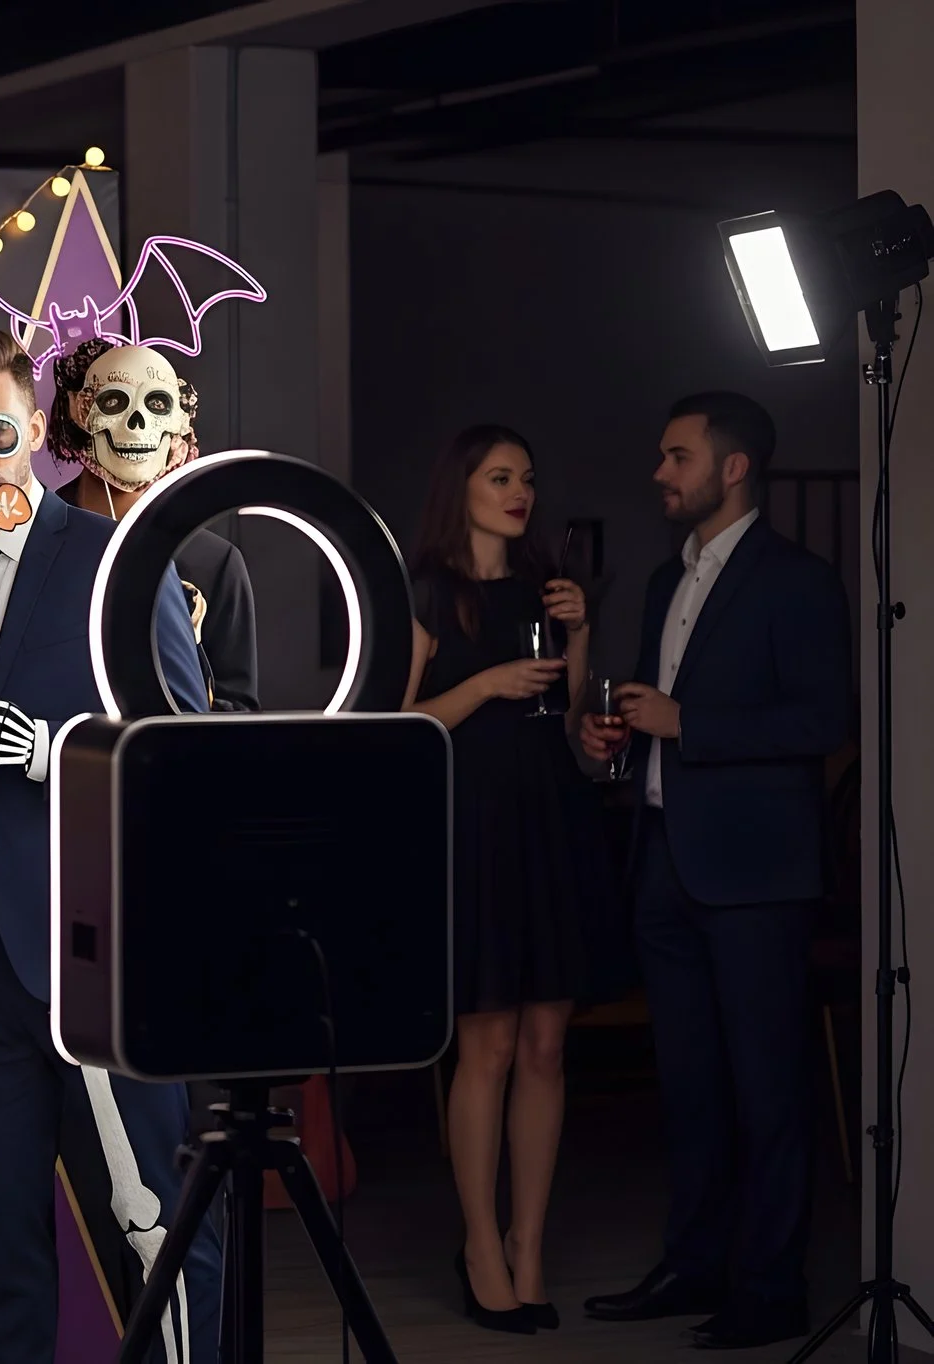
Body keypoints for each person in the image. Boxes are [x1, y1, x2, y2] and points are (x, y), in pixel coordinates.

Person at [0, 326, 217, 1364]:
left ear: (41, 426)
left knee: (157, 1222)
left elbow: (189, 760)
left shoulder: (119, 559)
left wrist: (61, 753)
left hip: (101, 952)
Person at [580, 392, 849, 1351]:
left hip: (756, 879)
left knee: (769, 1091)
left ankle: (770, 1290)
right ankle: (694, 1267)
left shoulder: (799, 582)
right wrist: (617, 733)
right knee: (688, 1087)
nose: (661, 472)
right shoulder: (663, 583)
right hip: (664, 867)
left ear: (733, 469)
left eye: (676, 456)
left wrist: (688, 725)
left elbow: (826, 721)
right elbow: (658, 714)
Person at [400, 425, 612, 1334]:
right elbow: (398, 724)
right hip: (472, 826)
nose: (520, 491)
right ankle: (481, 1245)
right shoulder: (424, 594)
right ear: (464, 488)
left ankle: (531, 1245)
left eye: (527, 477)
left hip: (550, 816)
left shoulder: (546, 590)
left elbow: (570, 716)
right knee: (483, 1046)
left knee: (546, 1046)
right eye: (500, 477)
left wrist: (586, 630)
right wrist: (484, 687)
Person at [52, 338, 260, 710]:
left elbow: (237, 716)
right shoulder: (34, 539)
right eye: (113, 402)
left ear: (181, 418)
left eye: (157, 405)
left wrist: (186, 641)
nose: (136, 422)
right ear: (79, 409)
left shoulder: (215, 563)